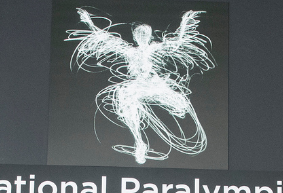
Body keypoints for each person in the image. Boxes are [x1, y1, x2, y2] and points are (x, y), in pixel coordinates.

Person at [68, 9, 216, 164]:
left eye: (145, 33)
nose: (142, 36)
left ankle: (175, 107)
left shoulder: (156, 48)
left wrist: (186, 21)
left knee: (181, 107)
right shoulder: (129, 51)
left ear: (150, 35)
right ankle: (139, 142)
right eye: (139, 34)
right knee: (125, 98)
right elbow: (104, 38)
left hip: (155, 84)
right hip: (138, 85)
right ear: (134, 36)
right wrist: (88, 21)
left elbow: (178, 41)